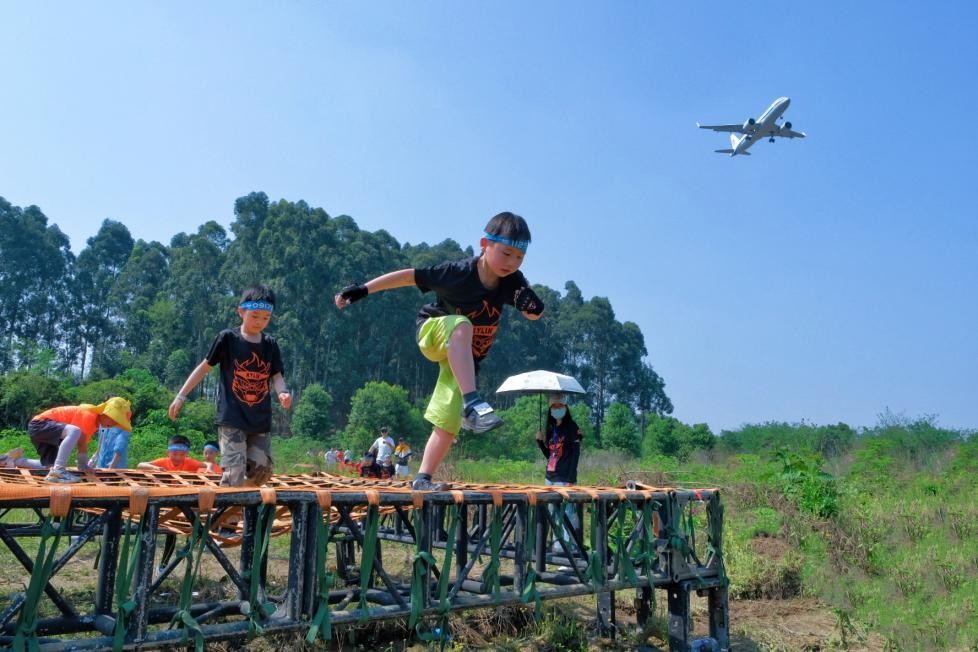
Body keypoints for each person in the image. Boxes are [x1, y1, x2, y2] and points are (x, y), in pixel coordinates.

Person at [335, 212, 544, 490]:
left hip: (464, 358)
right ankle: (473, 402)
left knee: (447, 421)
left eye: (519, 257)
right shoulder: (457, 273)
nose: (512, 263)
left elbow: (533, 314)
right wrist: (364, 289)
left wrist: (532, 307)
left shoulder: (513, 281)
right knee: (461, 324)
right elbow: (410, 276)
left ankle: (422, 479)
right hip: (433, 332)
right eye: (506, 253)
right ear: (485, 243)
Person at [169, 284, 291, 487]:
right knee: (234, 472)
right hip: (232, 418)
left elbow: (276, 375)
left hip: (259, 420)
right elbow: (204, 367)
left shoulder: (270, 344)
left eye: (265, 318)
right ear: (241, 311)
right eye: (255, 316)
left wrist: (283, 392)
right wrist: (181, 396)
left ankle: (235, 504)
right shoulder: (228, 339)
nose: (259, 322)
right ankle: (227, 515)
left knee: (262, 471)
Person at [28, 397, 132, 483]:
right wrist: (83, 464)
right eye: (115, 420)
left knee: (50, 466)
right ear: (106, 414)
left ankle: (16, 461)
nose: (113, 425)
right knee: (75, 431)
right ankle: (59, 471)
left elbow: (82, 444)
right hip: (40, 424)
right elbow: (80, 442)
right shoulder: (89, 415)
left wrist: (83, 465)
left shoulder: (94, 423)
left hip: (42, 430)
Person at [535, 393, 583, 552]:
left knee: (567, 512)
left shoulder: (572, 427)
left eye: (559, 406)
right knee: (552, 512)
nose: (556, 409)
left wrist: (571, 478)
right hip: (550, 477)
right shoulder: (550, 428)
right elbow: (550, 456)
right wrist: (540, 442)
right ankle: (557, 544)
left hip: (564, 478)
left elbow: (575, 455)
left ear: (565, 407)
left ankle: (570, 546)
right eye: (553, 406)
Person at [138, 435, 204, 472]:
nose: (178, 457)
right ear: (168, 452)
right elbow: (140, 465)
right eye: (174, 454)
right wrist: (155, 468)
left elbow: (207, 465)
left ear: (187, 454)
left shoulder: (189, 462)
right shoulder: (163, 462)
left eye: (182, 454)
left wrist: (206, 470)